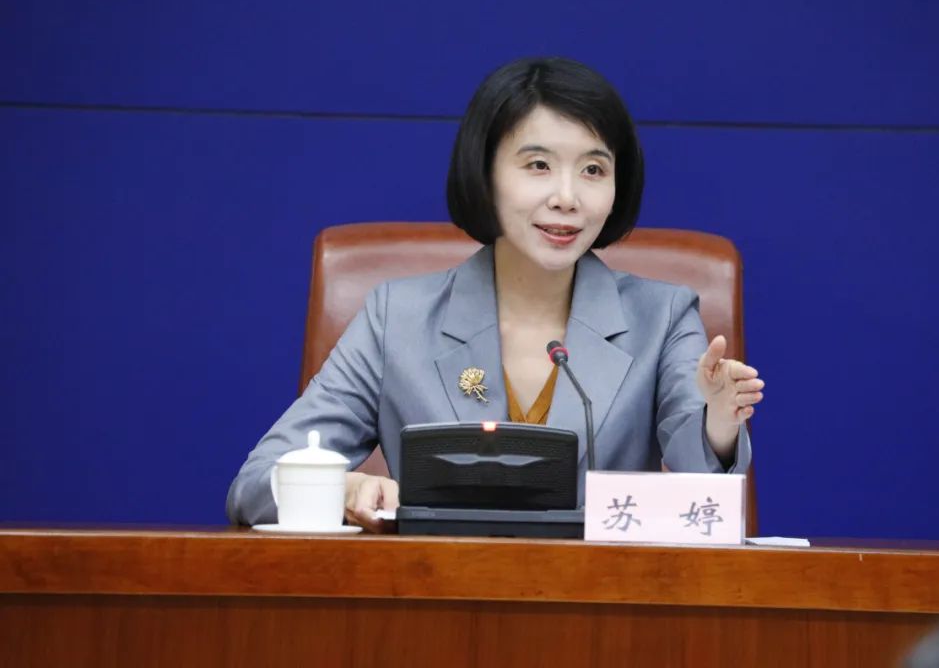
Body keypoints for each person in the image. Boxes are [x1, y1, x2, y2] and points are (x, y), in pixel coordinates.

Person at [226, 57, 765, 530]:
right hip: (436, 598)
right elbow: (254, 487)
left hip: (600, 606)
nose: (567, 197)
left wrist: (718, 424)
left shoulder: (664, 317)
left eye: (593, 169)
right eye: (538, 165)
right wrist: (339, 490)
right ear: (484, 173)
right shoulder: (397, 319)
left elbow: (705, 494)